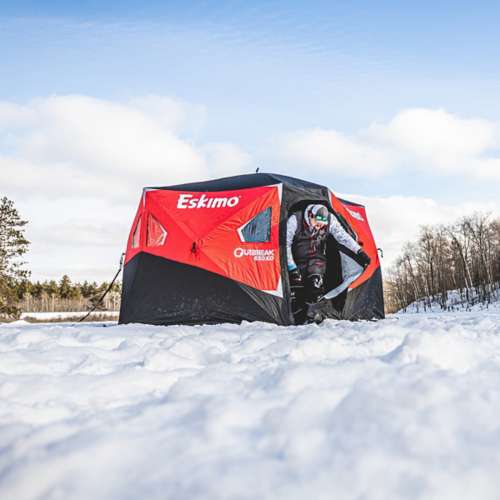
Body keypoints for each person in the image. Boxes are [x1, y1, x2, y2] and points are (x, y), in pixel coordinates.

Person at [286, 204, 371, 322]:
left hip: (317, 260)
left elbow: (343, 237)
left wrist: (359, 251)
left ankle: (312, 316)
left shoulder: (330, 220)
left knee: (315, 285)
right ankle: (298, 315)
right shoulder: (295, 219)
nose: (319, 227)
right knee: (298, 288)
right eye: (317, 223)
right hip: (297, 259)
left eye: (322, 225)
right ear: (310, 215)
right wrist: (292, 267)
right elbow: (286, 244)